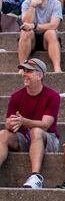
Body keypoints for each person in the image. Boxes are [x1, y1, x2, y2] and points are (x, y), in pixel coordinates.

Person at [0, 58, 60, 189]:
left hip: (47, 139)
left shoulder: (53, 96)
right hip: (24, 139)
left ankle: (36, 177)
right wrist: (11, 124)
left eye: (29, 71)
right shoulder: (16, 96)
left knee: (36, 130)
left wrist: (24, 121)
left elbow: (45, 125)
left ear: (40, 75)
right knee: (3, 134)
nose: (24, 74)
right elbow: (8, 124)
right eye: (24, 70)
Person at [18, 0, 63, 72]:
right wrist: (32, 6)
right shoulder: (27, 3)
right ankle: (22, 66)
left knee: (51, 32)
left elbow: (54, 25)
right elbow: (26, 23)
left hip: (47, 39)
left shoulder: (55, 3)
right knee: (25, 32)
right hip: (31, 39)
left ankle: (57, 68)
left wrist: (34, 26)